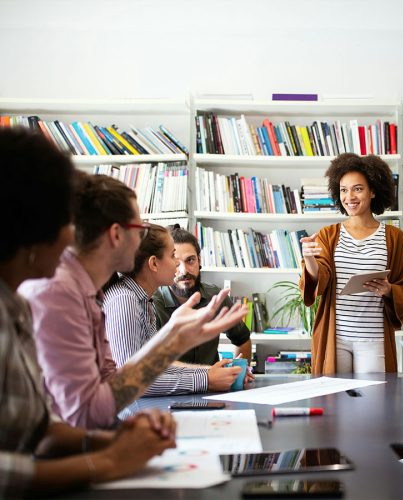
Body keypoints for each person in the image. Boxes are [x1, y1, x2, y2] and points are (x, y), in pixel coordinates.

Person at [0, 128, 178, 496]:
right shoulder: (51, 291)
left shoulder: (15, 303)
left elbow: (38, 426)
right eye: (65, 222)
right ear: (30, 223)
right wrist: (108, 459)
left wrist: (108, 443)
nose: (72, 238)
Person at [20, 172, 247, 430]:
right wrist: (177, 344)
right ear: (117, 235)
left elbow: (111, 385)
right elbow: (86, 411)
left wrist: (174, 340)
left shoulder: (92, 293)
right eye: (139, 228)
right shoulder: (64, 295)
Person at [300, 153, 403, 375]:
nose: (349, 196)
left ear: (373, 191)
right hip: (336, 337)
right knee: (335, 401)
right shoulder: (329, 235)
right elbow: (319, 279)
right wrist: (309, 260)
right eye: (343, 190)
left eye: (358, 189)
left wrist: (389, 290)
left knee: (373, 403)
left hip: (373, 337)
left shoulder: (394, 237)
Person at [103, 224, 244, 395]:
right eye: (172, 256)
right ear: (154, 263)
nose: (178, 265)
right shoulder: (125, 300)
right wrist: (206, 380)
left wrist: (210, 373)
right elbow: (130, 381)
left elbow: (152, 368)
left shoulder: (143, 300)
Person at [153, 226, 252, 365]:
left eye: (190, 260)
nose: (184, 270)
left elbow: (243, 339)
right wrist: (207, 376)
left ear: (199, 260)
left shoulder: (216, 296)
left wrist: (239, 372)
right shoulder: (152, 303)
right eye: (176, 262)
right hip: (172, 386)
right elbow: (153, 364)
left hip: (215, 386)